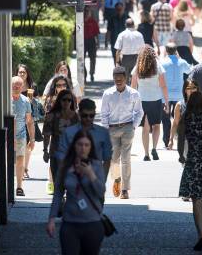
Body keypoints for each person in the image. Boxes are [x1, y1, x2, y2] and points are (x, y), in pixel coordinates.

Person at [46, 130, 107, 255]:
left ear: (91, 147)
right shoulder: (65, 166)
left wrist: (91, 175)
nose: (83, 148)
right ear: (74, 146)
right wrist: (51, 218)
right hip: (70, 223)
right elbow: (58, 194)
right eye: (80, 144)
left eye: (86, 145)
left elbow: (101, 192)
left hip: (92, 223)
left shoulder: (96, 166)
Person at [178, 91, 202, 251]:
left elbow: (181, 141)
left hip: (193, 161)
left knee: (196, 201)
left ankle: (200, 235)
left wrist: (181, 155)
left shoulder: (186, 119)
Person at [101, 66, 144, 199]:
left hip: (127, 128)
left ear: (126, 78)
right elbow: (104, 114)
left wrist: (134, 126)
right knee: (114, 159)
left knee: (126, 159)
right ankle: (117, 179)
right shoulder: (108, 94)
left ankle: (125, 189)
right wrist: (105, 129)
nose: (118, 81)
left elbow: (139, 112)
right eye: (116, 79)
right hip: (112, 129)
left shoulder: (134, 94)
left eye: (121, 79)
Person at [57, 99, 113, 185]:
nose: (88, 118)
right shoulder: (68, 133)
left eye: (91, 115)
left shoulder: (103, 133)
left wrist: (102, 181)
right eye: (84, 115)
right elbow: (62, 158)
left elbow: (107, 160)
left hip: (95, 181)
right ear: (79, 114)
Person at [131, 45, 169, 161]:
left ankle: (146, 154)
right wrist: (166, 101)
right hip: (156, 100)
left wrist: (132, 102)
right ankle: (154, 148)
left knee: (145, 128)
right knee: (157, 125)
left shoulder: (138, 67)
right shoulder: (158, 66)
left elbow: (133, 86)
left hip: (142, 101)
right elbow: (163, 85)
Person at [43, 89, 79, 195]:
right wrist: (45, 151)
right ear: (59, 101)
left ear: (72, 102)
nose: (66, 102)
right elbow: (46, 134)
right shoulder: (51, 116)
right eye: (64, 100)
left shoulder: (76, 117)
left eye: (69, 100)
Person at [161, 43, 191, 148]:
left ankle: (166, 140)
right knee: (178, 118)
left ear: (166, 51)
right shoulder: (181, 62)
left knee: (165, 118)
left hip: (165, 95)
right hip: (179, 95)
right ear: (176, 51)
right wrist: (180, 58)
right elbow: (189, 70)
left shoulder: (162, 62)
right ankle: (179, 138)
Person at [11, 76, 35, 196]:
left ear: (22, 87)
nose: (16, 87)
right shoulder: (5, 100)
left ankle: (19, 186)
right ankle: (7, 184)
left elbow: (30, 121)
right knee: (8, 161)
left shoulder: (25, 101)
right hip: (6, 136)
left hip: (21, 135)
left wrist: (32, 138)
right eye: (14, 85)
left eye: (19, 85)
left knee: (20, 159)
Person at [16, 64, 41, 179]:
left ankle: (25, 168)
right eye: (20, 72)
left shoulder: (32, 86)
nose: (22, 74)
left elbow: (37, 101)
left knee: (28, 145)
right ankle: (19, 167)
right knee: (17, 145)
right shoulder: (14, 85)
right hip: (17, 118)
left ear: (27, 74)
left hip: (29, 119)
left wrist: (32, 100)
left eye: (24, 72)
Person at [169, 79, 200, 165]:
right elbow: (175, 123)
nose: (192, 90)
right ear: (185, 90)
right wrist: (171, 140)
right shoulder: (180, 105)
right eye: (189, 88)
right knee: (189, 165)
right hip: (185, 139)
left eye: (194, 88)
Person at [83, 8, 100, 83]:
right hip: (82, 42)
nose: (86, 13)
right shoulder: (79, 20)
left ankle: (92, 73)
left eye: (88, 11)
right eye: (85, 11)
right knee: (81, 59)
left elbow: (96, 34)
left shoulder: (93, 21)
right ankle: (84, 74)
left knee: (92, 59)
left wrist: (97, 43)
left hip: (91, 41)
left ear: (90, 13)